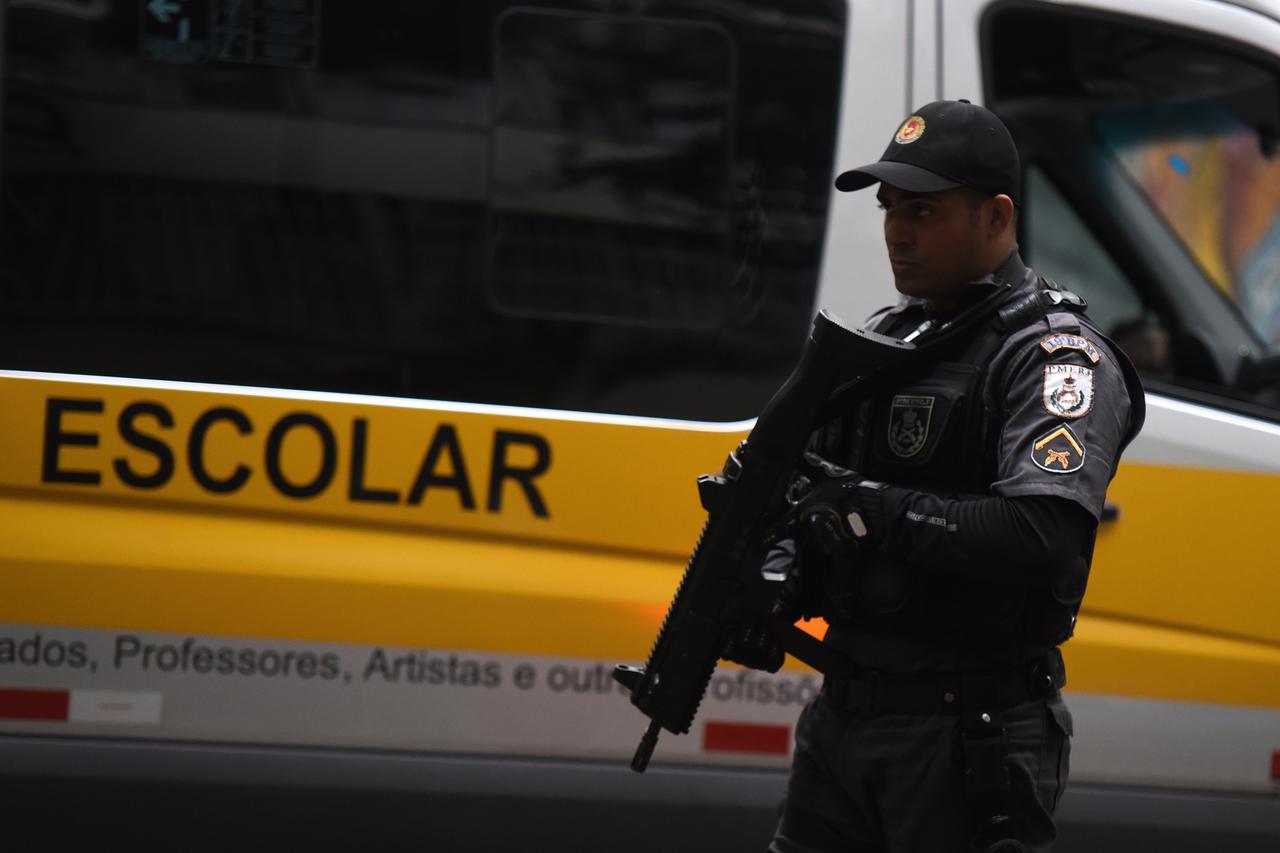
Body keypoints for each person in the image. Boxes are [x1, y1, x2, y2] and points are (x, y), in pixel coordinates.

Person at [723, 100, 1145, 852]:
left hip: (968, 734)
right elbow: (811, 493)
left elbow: (1041, 533)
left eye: (923, 209)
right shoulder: (886, 341)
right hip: (844, 720)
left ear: (997, 217)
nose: (897, 229)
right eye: (889, 207)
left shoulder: (1052, 357)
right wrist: (780, 574)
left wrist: (866, 509)